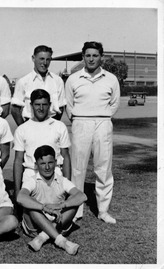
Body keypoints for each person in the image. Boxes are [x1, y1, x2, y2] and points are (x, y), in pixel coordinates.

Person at [65, 41, 120, 224]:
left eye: (95, 55)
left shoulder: (111, 78)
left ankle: (103, 211)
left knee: (103, 168)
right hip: (80, 122)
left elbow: (114, 104)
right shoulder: (73, 79)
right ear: (83, 57)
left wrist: (102, 118)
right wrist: (80, 120)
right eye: (87, 55)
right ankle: (76, 210)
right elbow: (69, 106)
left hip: (103, 123)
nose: (91, 59)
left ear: (101, 57)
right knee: (78, 168)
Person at [17, 145, 87, 255]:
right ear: (36, 165)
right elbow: (20, 198)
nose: (47, 167)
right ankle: (62, 242)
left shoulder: (62, 180)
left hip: (58, 223)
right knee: (31, 205)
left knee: (74, 203)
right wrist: (44, 207)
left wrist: (61, 205)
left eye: (50, 163)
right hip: (35, 226)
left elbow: (82, 196)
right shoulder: (32, 181)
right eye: (42, 164)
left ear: (55, 162)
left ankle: (43, 237)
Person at [13, 89, 71, 204]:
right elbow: (18, 160)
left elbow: (66, 157)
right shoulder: (22, 129)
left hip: (54, 173)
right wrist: (17, 191)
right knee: (34, 214)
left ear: (49, 105)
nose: (41, 108)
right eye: (37, 105)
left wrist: (67, 184)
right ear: (31, 106)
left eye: (44, 105)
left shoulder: (59, 126)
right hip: (31, 173)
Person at [11, 45, 66, 125]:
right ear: (33, 58)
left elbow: (61, 107)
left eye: (48, 59)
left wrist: (54, 126)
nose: (44, 63)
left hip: (52, 124)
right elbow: (15, 109)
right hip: (30, 124)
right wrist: (23, 128)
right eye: (41, 59)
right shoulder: (23, 81)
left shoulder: (58, 81)